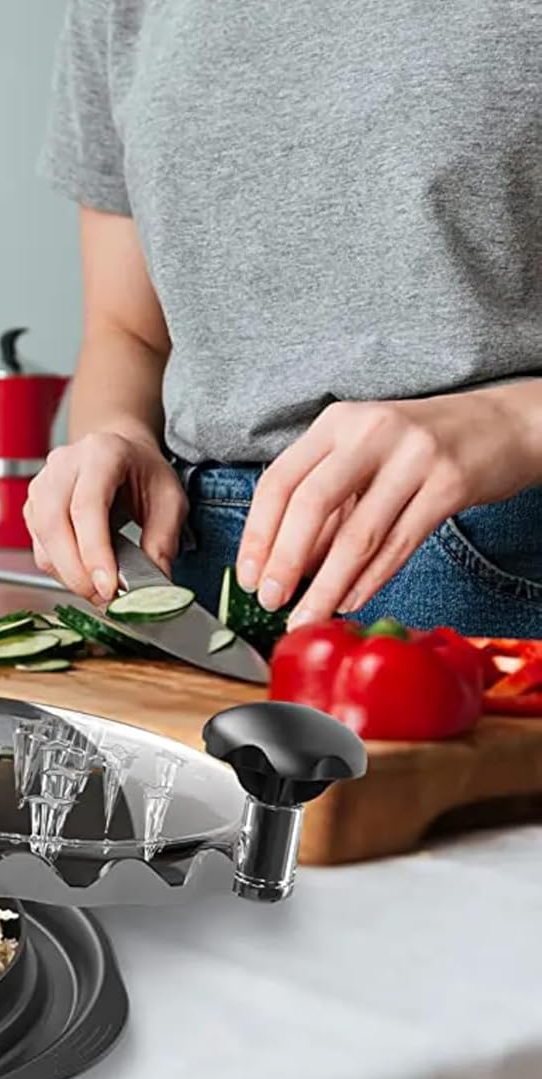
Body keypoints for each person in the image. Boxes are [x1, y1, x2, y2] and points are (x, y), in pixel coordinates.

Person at [28, 0, 542, 637]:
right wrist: (117, 435)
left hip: (499, 562)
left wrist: (516, 423)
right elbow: (125, 331)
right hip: (197, 575)